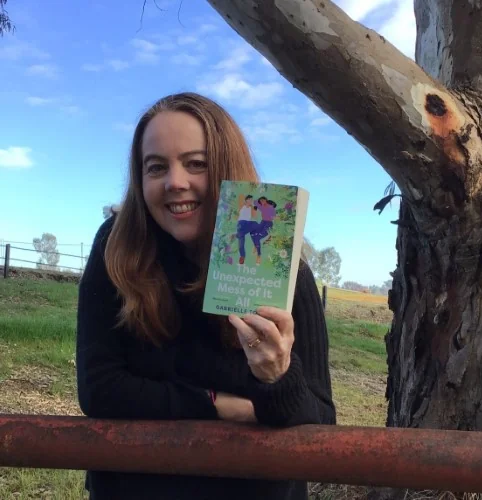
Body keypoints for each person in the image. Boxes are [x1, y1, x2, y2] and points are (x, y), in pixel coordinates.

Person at [76, 92, 336, 500]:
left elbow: (321, 423)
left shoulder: (281, 267)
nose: (175, 182)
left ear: (228, 169)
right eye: (156, 167)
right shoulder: (118, 248)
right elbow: (100, 390)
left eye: (196, 163)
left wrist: (277, 376)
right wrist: (218, 403)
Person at [250, 196, 277, 265]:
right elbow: (255, 202)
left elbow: (274, 216)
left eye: (263, 200)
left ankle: (259, 255)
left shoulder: (271, 207)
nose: (262, 202)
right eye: (260, 201)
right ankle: (256, 245)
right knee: (252, 233)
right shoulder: (261, 206)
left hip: (268, 224)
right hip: (262, 222)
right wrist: (257, 204)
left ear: (266, 200)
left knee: (258, 236)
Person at [236, 194, 259, 265]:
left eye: (251, 200)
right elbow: (241, 200)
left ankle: (237, 235)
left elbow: (255, 216)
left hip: (247, 224)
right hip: (241, 224)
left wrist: (254, 206)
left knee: (255, 224)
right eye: (249, 199)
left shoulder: (250, 208)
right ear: (246, 200)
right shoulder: (243, 205)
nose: (251, 201)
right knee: (241, 244)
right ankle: (242, 256)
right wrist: (247, 203)